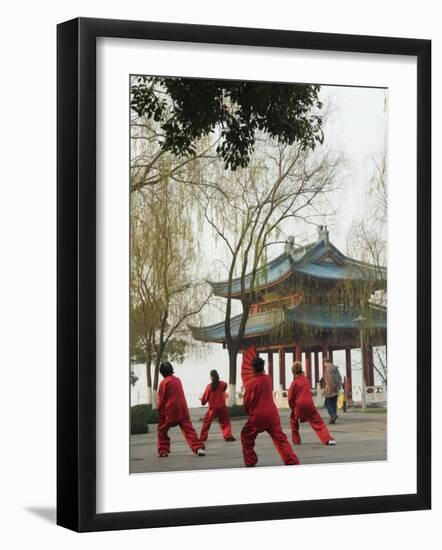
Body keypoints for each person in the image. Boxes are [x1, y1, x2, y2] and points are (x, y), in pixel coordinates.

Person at [241, 356, 300, 467]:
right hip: (272, 415)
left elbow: (247, 402)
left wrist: (248, 412)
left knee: (246, 435)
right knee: (281, 440)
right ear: (263, 367)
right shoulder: (268, 379)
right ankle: (291, 460)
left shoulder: (251, 384)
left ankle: (250, 460)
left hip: (257, 417)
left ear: (253, 369)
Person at [157, 362, 206, 457]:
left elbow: (161, 400)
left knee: (161, 430)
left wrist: (161, 414)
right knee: (189, 431)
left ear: (162, 373)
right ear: (171, 370)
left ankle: (163, 451)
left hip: (170, 412)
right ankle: (198, 448)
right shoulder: (177, 380)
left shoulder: (164, 383)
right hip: (183, 410)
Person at [288, 361, 336, 446]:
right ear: (301, 370)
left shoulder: (294, 383)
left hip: (299, 406)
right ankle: (327, 439)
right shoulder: (306, 380)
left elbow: (290, 398)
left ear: (293, 372)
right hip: (309, 405)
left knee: (293, 421)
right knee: (318, 422)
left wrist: (293, 408)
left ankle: (296, 440)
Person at [199, 370, 235, 442]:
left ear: (211, 377)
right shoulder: (222, 384)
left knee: (206, 423)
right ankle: (227, 435)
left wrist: (201, 399)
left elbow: (203, 401)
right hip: (222, 407)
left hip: (212, 409)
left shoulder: (209, 387)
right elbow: (225, 386)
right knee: (225, 422)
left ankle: (203, 438)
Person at [322, 357, 342, 424]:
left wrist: (333, 386)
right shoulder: (336, 369)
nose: (324, 365)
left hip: (330, 388)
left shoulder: (327, 369)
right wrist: (338, 386)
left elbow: (330, 379)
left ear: (326, 362)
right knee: (333, 403)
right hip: (336, 389)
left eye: (324, 363)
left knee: (327, 403)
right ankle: (333, 417)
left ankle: (333, 415)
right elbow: (340, 378)